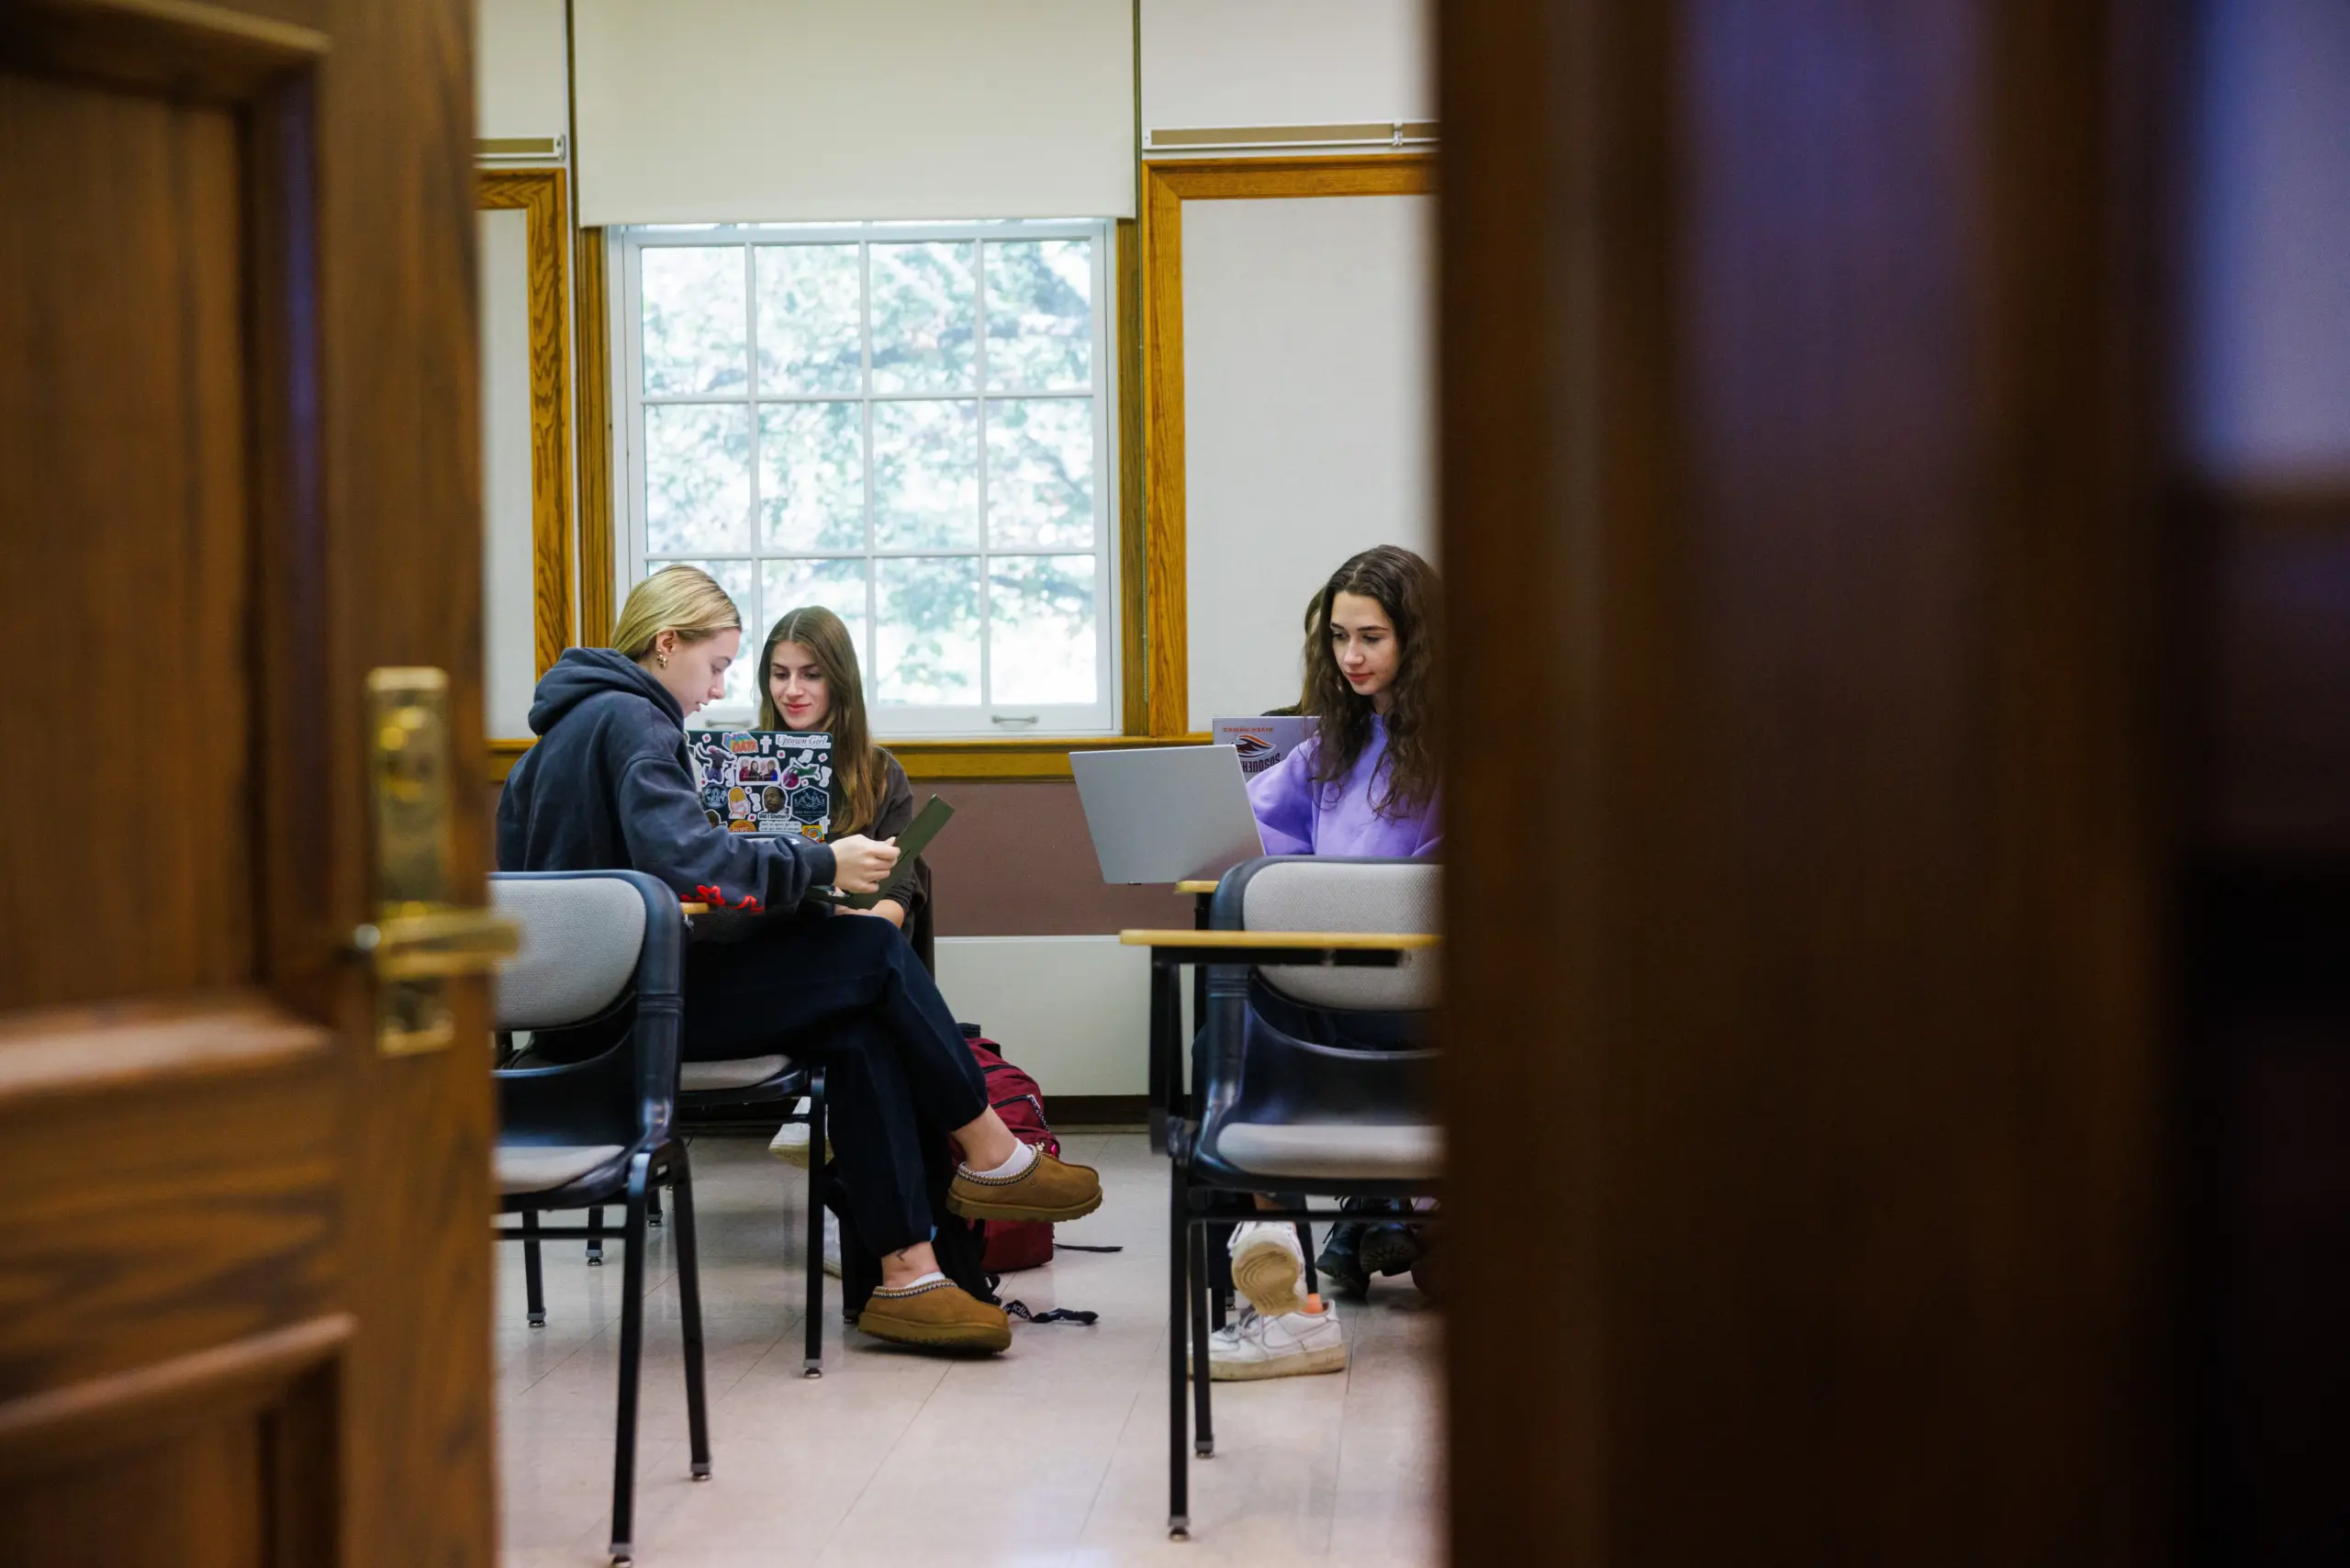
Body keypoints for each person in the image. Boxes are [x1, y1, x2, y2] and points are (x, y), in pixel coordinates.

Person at [497, 566, 1102, 1354]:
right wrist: (821, 865)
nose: (716, 688)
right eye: (716, 665)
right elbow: (692, 862)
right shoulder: (637, 723)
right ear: (667, 643)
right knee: (874, 951)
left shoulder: (550, 743)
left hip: (579, 1023)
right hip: (633, 1016)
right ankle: (991, 1153)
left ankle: (907, 1275)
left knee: (855, 1025)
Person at [1207, 545, 1443, 1380]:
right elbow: (1256, 843)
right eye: (1340, 637)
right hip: (1329, 984)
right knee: (1233, 996)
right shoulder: (1335, 743)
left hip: (1418, 996)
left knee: (1244, 1020)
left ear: (1419, 641)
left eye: (1372, 637)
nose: (1351, 657)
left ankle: (1280, 1266)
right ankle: (1282, 1281)